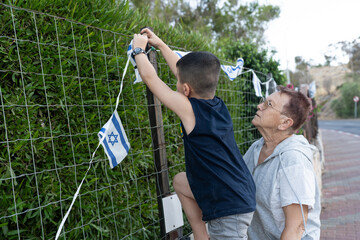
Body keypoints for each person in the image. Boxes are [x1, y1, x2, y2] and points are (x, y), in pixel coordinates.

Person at [132, 28, 256, 240]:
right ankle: (201, 237)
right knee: (180, 181)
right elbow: (182, 74)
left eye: (179, 83)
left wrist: (138, 50)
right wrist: (161, 45)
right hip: (236, 191)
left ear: (186, 90)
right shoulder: (217, 104)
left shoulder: (189, 110)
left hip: (228, 206)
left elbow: (151, 79)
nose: (176, 83)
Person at [243, 86, 321, 239]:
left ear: (285, 123)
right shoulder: (257, 147)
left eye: (268, 105)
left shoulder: (294, 161)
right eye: (262, 102)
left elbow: (296, 228)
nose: (259, 106)